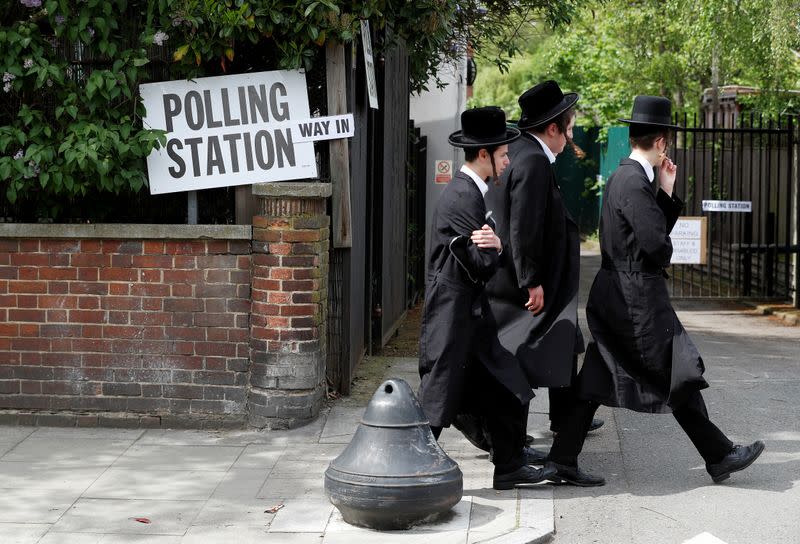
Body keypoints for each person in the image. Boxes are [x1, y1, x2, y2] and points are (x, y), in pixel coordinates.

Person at [545, 95, 765, 486]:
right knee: (674, 370)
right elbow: (657, 247)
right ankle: (719, 455)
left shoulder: (625, 176)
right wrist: (663, 199)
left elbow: (645, 234)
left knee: (598, 374)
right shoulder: (633, 181)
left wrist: (664, 191)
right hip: (635, 298)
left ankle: (563, 457)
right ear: (662, 141)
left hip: (620, 293)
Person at [452, 81, 602, 460]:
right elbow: (523, 225)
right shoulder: (533, 160)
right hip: (524, 282)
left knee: (554, 346)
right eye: (567, 129)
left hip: (515, 277)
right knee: (518, 356)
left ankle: (550, 424)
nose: (569, 138)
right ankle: (504, 439)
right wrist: (530, 279)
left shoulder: (520, 152)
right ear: (552, 128)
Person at [417, 106, 556, 490]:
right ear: (484, 155)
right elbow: (480, 263)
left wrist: (494, 243)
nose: (509, 160)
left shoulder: (473, 194)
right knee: (437, 399)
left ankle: (510, 464)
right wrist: (495, 247)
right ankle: (406, 465)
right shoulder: (463, 197)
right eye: (504, 153)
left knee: (506, 383)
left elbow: (484, 254)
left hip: (470, 314)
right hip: (452, 315)